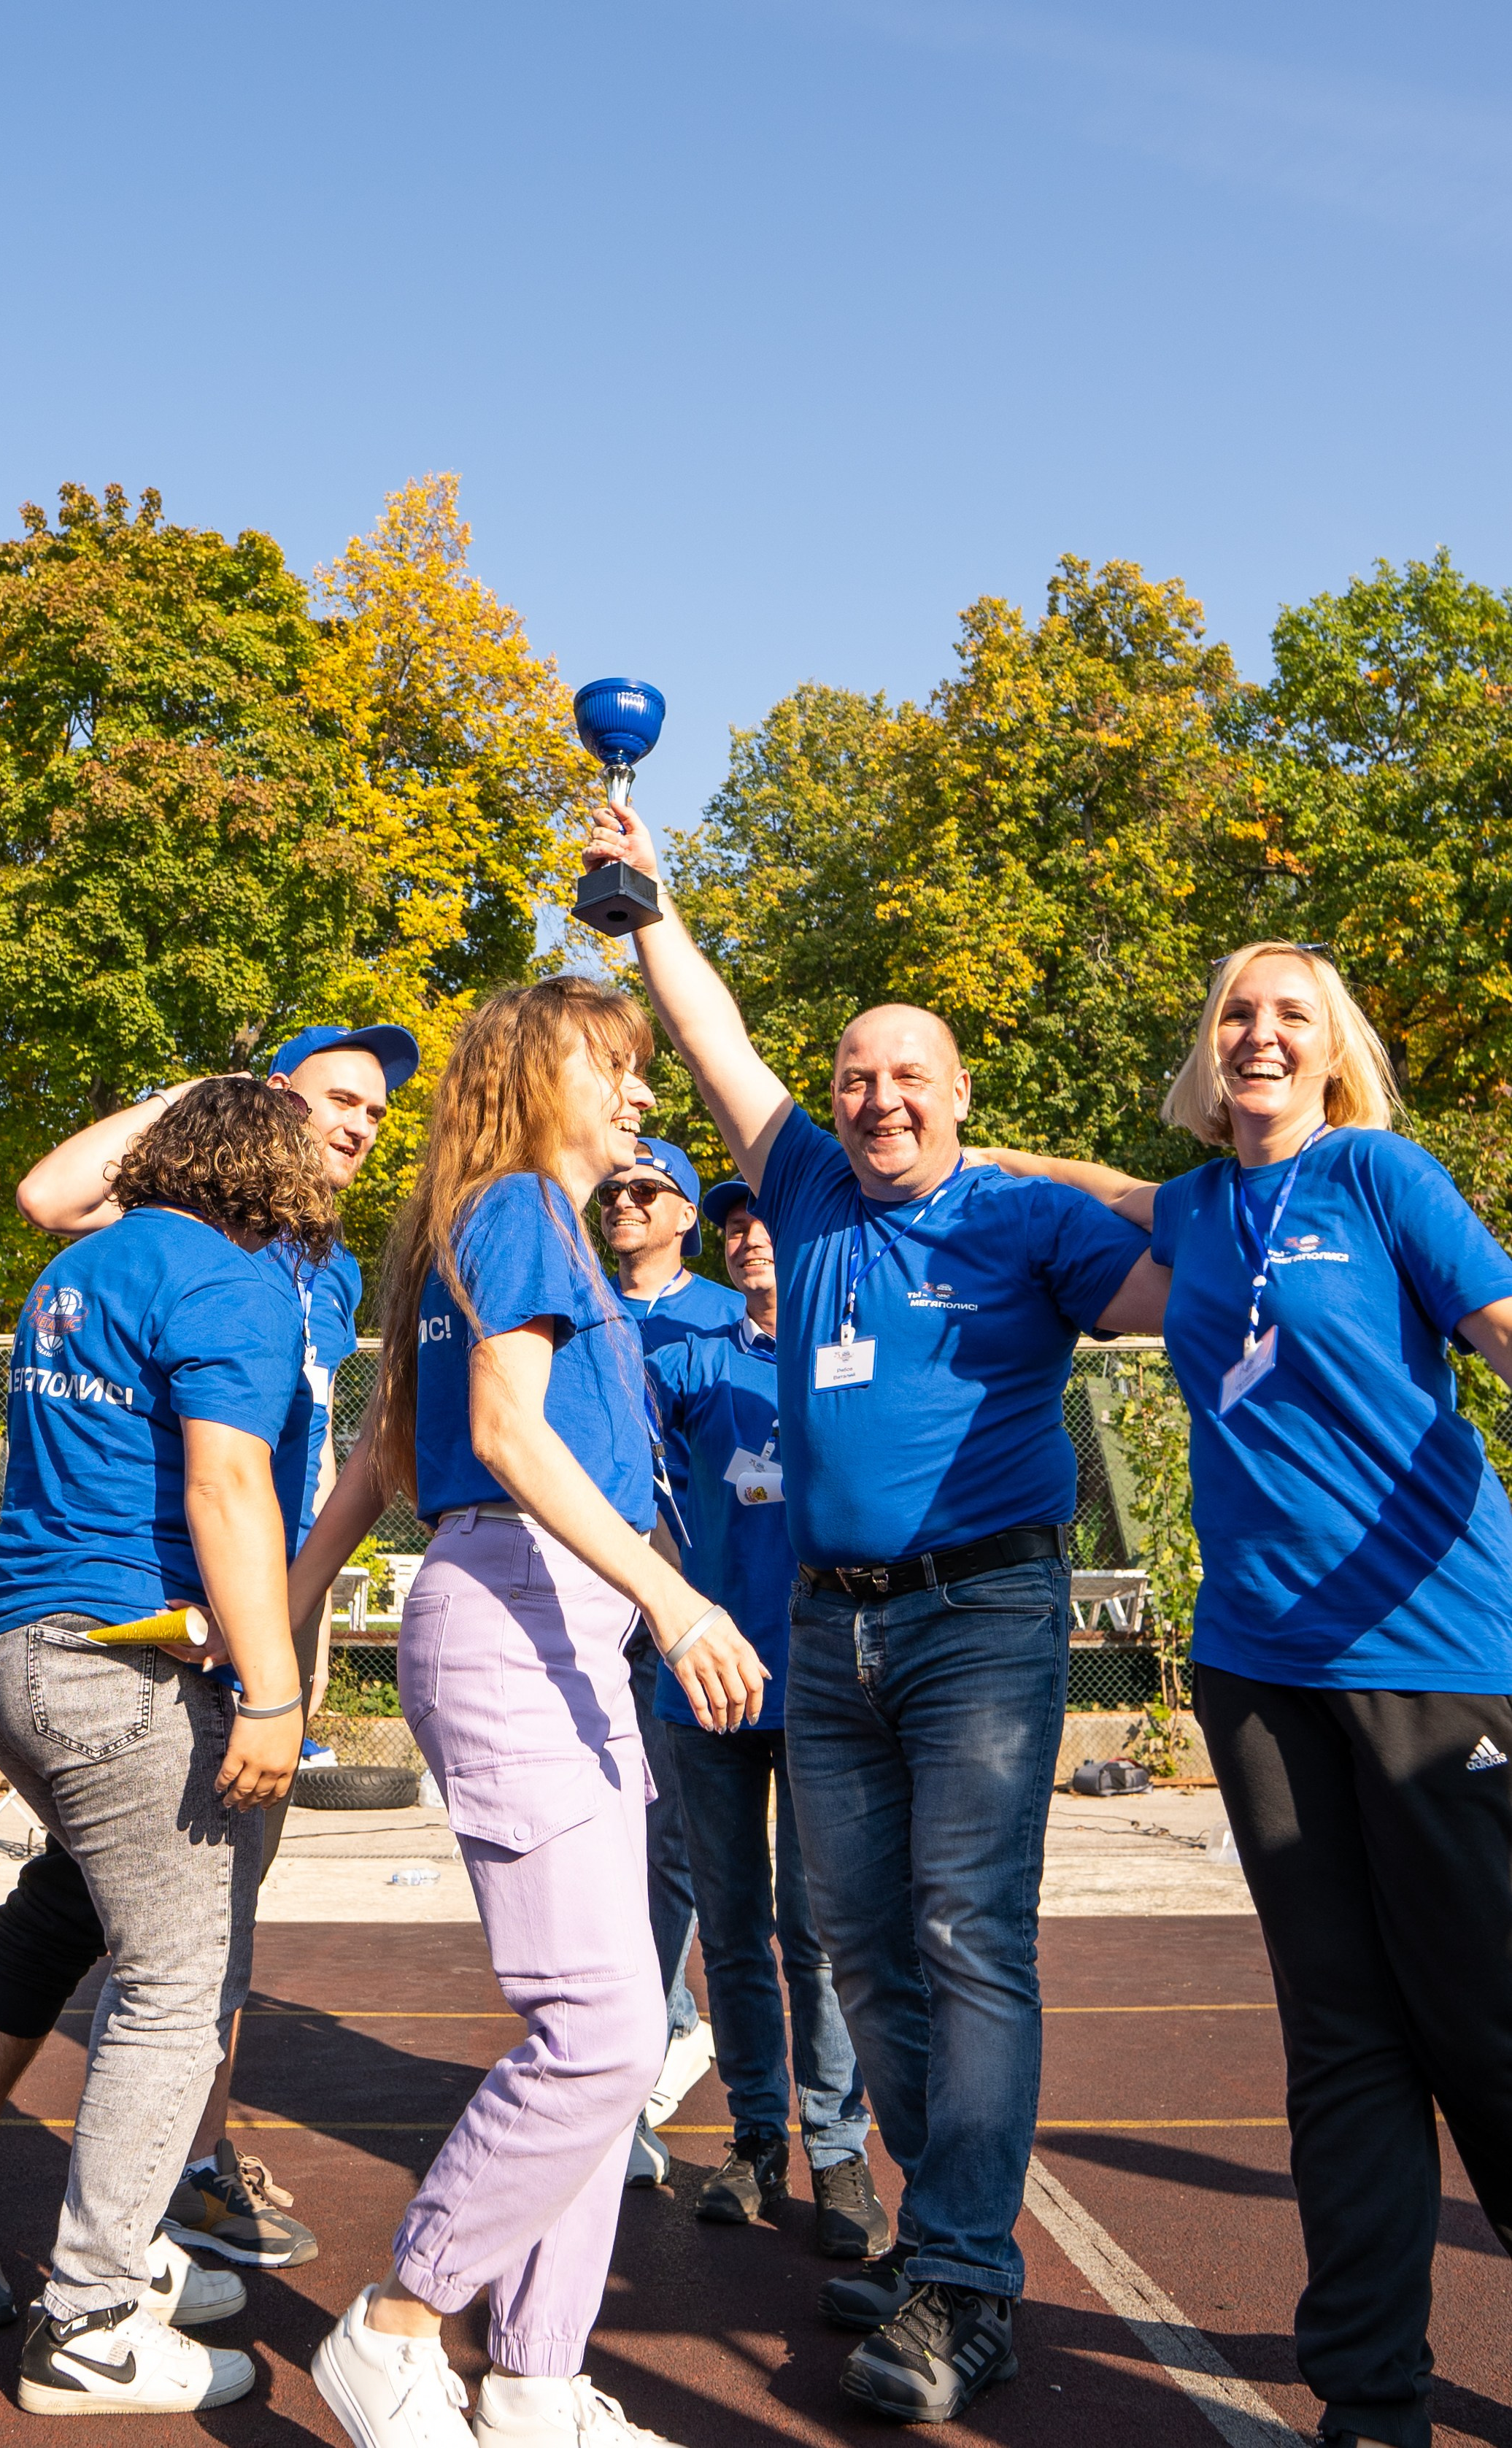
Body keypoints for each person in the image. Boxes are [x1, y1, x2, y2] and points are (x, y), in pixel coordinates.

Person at [580, 798, 1166, 2424]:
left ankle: (964, 2278)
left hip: (978, 1617)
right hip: (822, 1634)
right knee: (854, 1941)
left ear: (959, 1098)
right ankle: (940, 2240)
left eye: (909, 1076)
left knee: (964, 1934)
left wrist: (1047, 1165)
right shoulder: (813, 1190)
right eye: (854, 1076)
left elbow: (1181, 1281)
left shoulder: (1020, 1217)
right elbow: (708, 1043)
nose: (876, 1097)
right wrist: (647, 910)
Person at [977, 941, 1512, 2448]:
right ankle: (1365, 2394)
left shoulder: (1380, 1178)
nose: (1258, 1035)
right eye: (1234, 1014)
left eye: (1289, 1017)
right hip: (1259, 1674)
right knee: (1339, 2035)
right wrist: (987, 1153)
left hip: (1433, 1657)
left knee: (1479, 2024)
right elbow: (1105, 1188)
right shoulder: (1200, 1209)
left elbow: (1495, 1326)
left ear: (1331, 1050)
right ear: (1205, 1055)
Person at [283, 976, 767, 2448]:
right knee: (605, 2037)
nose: (635, 1094)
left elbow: (385, 1455)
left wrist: (289, 1622)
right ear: (525, 1067)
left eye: (639, 1070)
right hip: (516, 1621)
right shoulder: (510, 1209)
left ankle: (539, 2382)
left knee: (610, 2035)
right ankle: (399, 2323)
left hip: (562, 1626)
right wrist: (678, 1604)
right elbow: (492, 1436)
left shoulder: (507, 1231)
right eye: (610, 1066)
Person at [0, 1023, 417, 2328]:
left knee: (205, 1931)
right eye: (333, 1099)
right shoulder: (182, 1241)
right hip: (152, 1638)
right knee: (147, 1953)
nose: (356, 1123)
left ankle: (175, 2172)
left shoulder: (324, 1268)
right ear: (262, 1114)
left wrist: (274, 1644)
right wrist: (207, 1090)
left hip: (211, 1627)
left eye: (373, 1108)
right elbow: (48, 1196)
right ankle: (30, 2246)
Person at [647, 1177, 887, 2258]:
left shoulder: (859, 1352)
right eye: (738, 1223)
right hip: (706, 1688)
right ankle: (755, 2137)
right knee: (734, 1929)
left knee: (821, 1935)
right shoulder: (692, 1360)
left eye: (769, 1223)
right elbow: (617, 1476)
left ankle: (839, 2150)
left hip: (830, 1682)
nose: (751, 1237)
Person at [595, 1135, 742, 2184]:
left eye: (648, 1190)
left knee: (676, 1848)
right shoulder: (583, 1309)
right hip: (584, 1613)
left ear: (688, 1213)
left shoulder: (724, 1321)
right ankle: (655, 2029)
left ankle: (650, 2055)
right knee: (604, 1846)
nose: (625, 1201)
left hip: (688, 1616)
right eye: (615, 1187)